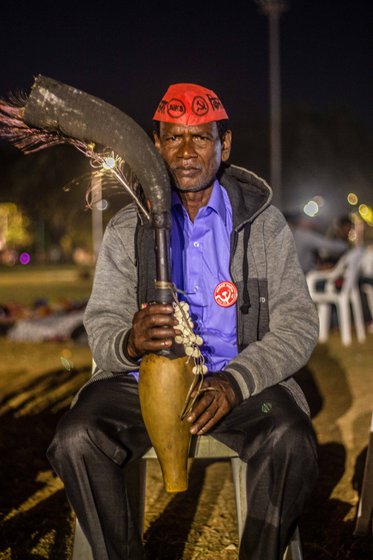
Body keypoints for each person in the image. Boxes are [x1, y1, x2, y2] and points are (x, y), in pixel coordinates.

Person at [47, 83, 319, 560]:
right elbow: (102, 322)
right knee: (76, 438)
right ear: (155, 145)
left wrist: (235, 382)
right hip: (140, 383)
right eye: (174, 138)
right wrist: (130, 342)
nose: (187, 152)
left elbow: (297, 324)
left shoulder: (263, 224)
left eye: (201, 137)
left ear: (224, 144)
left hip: (237, 384)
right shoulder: (129, 227)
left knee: (289, 437)